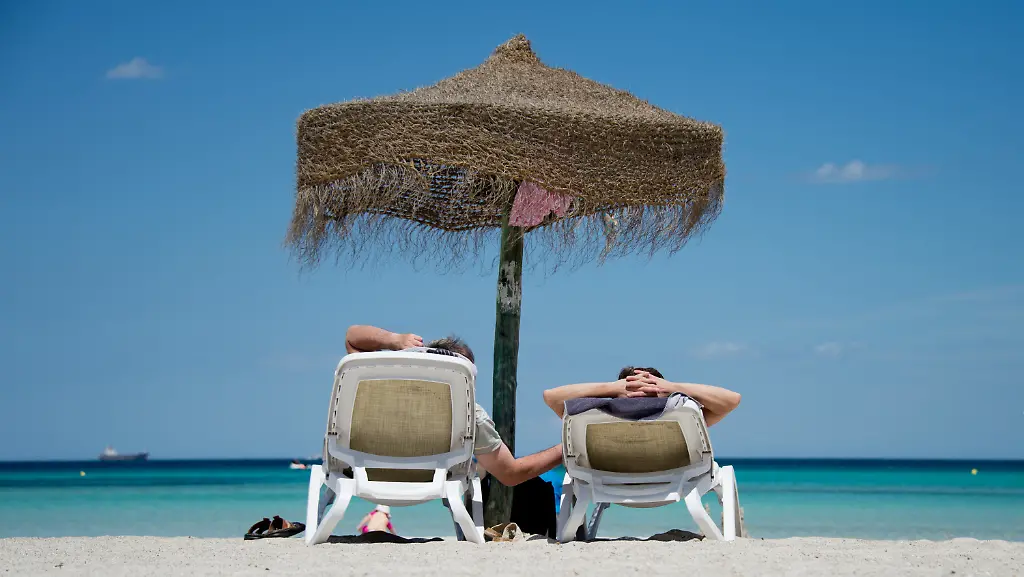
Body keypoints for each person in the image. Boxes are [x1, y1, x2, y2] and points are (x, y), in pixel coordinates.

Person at [344, 325, 563, 487]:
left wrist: (394, 340)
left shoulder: (379, 389)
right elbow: (510, 474)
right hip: (432, 484)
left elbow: (353, 338)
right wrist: (566, 448)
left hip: (365, 476)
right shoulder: (468, 414)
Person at [542, 366, 741, 426]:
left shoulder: (594, 417)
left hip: (608, 483)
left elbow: (551, 397)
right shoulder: (683, 418)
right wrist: (674, 388)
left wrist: (610, 389)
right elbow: (732, 400)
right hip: (674, 481)